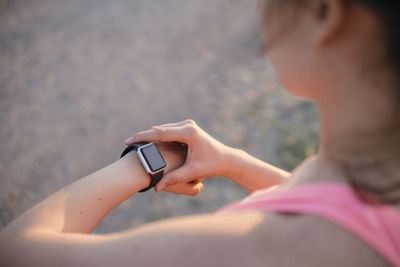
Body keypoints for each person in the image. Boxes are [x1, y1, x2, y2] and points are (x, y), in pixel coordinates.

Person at [1, 0, 399, 266]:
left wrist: (147, 162)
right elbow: (343, 211)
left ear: (324, 11)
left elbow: (19, 252)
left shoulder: (249, 250)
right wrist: (232, 162)